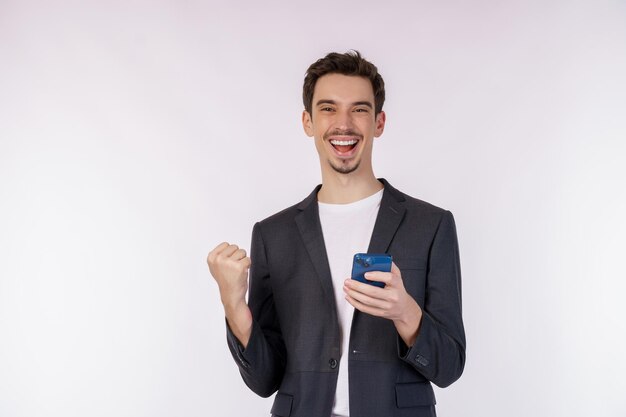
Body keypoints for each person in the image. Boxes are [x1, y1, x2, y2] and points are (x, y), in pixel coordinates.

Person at [207, 50, 465, 417]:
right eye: (328, 108)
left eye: (359, 109)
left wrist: (407, 314)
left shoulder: (431, 225)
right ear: (308, 121)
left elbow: (450, 366)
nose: (343, 123)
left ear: (379, 122)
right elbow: (265, 380)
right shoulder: (272, 235)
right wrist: (233, 304)